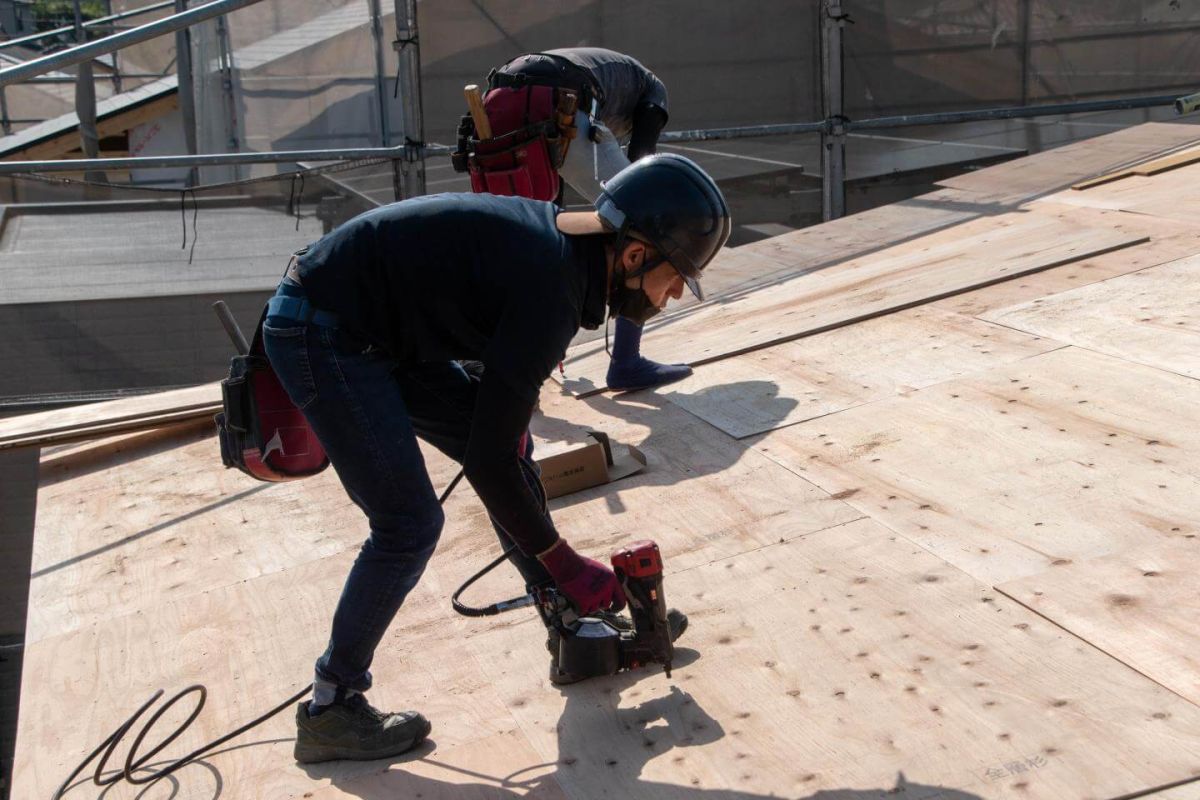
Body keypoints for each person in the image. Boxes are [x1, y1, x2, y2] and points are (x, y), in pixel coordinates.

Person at [264, 154, 730, 764]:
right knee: (408, 526)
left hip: (380, 330)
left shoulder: (564, 257)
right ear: (635, 254)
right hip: (324, 332)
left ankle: (571, 633)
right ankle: (331, 707)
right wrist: (564, 561)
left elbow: (493, 421)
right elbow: (485, 461)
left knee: (514, 446)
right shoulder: (553, 291)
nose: (669, 299)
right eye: (674, 279)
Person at [469, 46, 688, 392]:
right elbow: (641, 171)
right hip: (559, 98)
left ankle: (502, 367)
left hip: (497, 104)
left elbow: (551, 212)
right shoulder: (653, 90)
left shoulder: (610, 74)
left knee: (523, 237)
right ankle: (626, 363)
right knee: (643, 223)